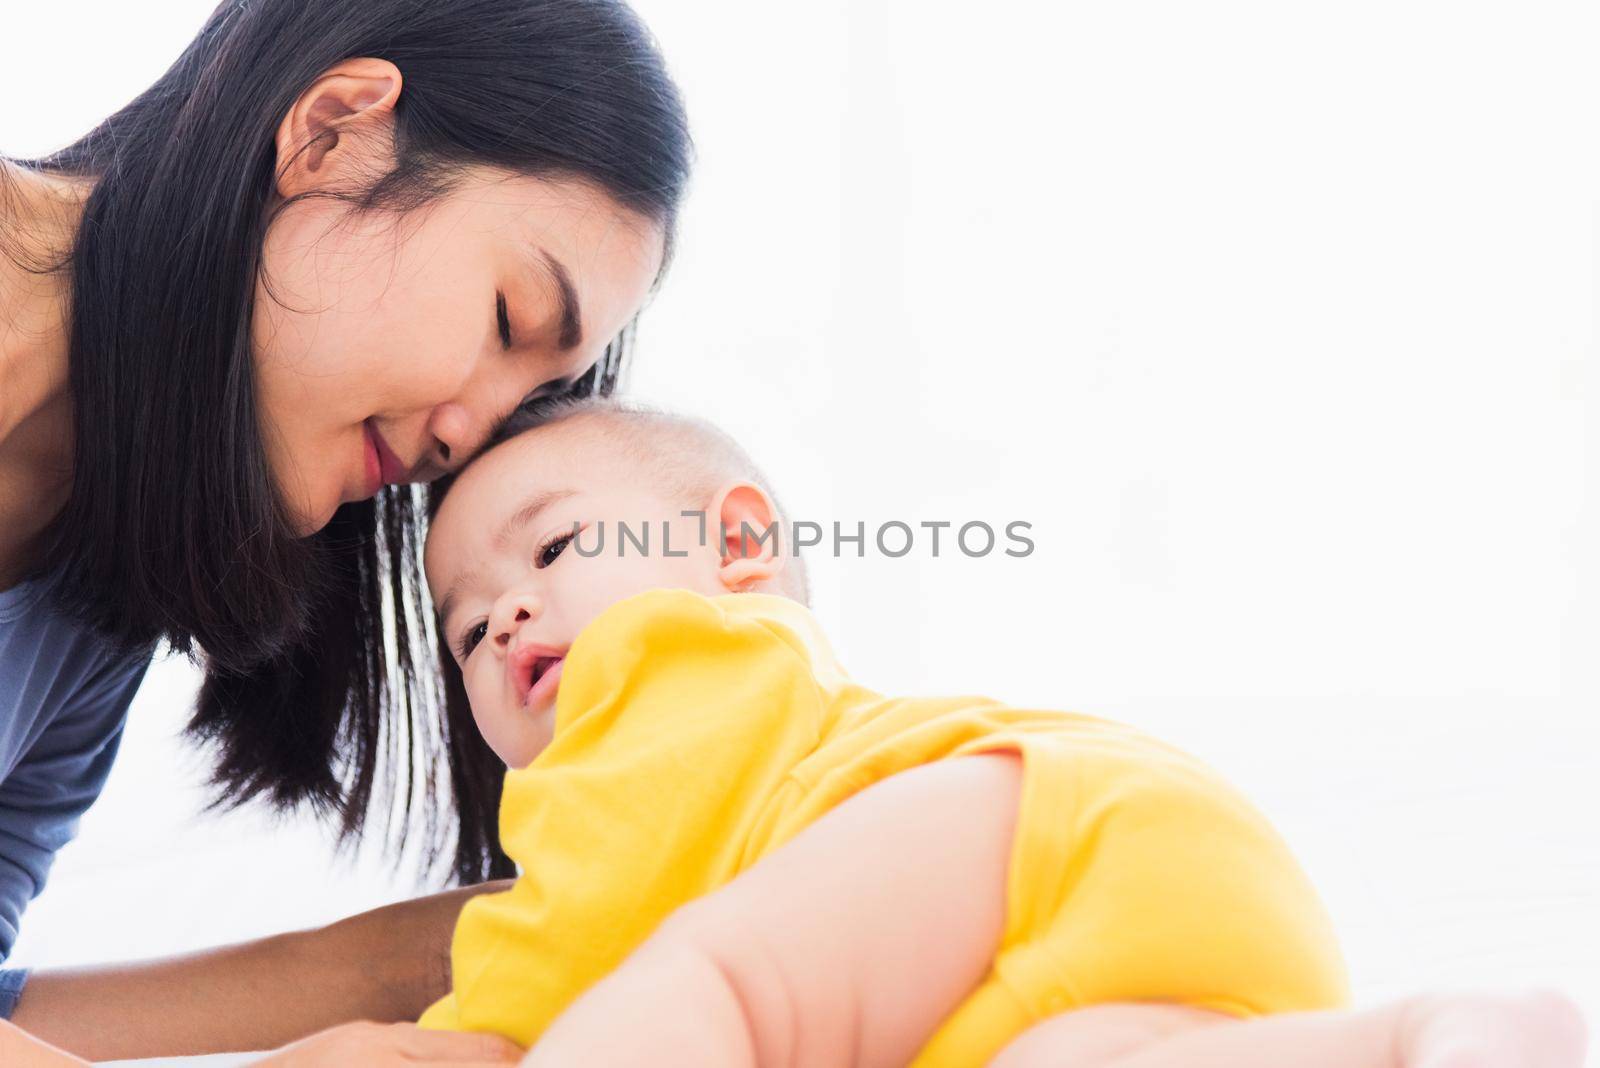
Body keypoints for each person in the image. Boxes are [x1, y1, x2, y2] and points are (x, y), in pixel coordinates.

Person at [416, 397, 1588, 1066]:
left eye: (556, 548)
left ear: (738, 552)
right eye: (465, 632)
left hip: (1016, 830)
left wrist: (440, 1040)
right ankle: (1409, 1045)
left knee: (706, 985)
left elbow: (564, 953)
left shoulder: (677, 667)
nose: (505, 612)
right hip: (1174, 919)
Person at [0, 0, 689, 1061]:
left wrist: (406, 971)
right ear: (334, 133)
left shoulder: (98, 574)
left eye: (522, 401)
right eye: (506, 321)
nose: (471, 439)